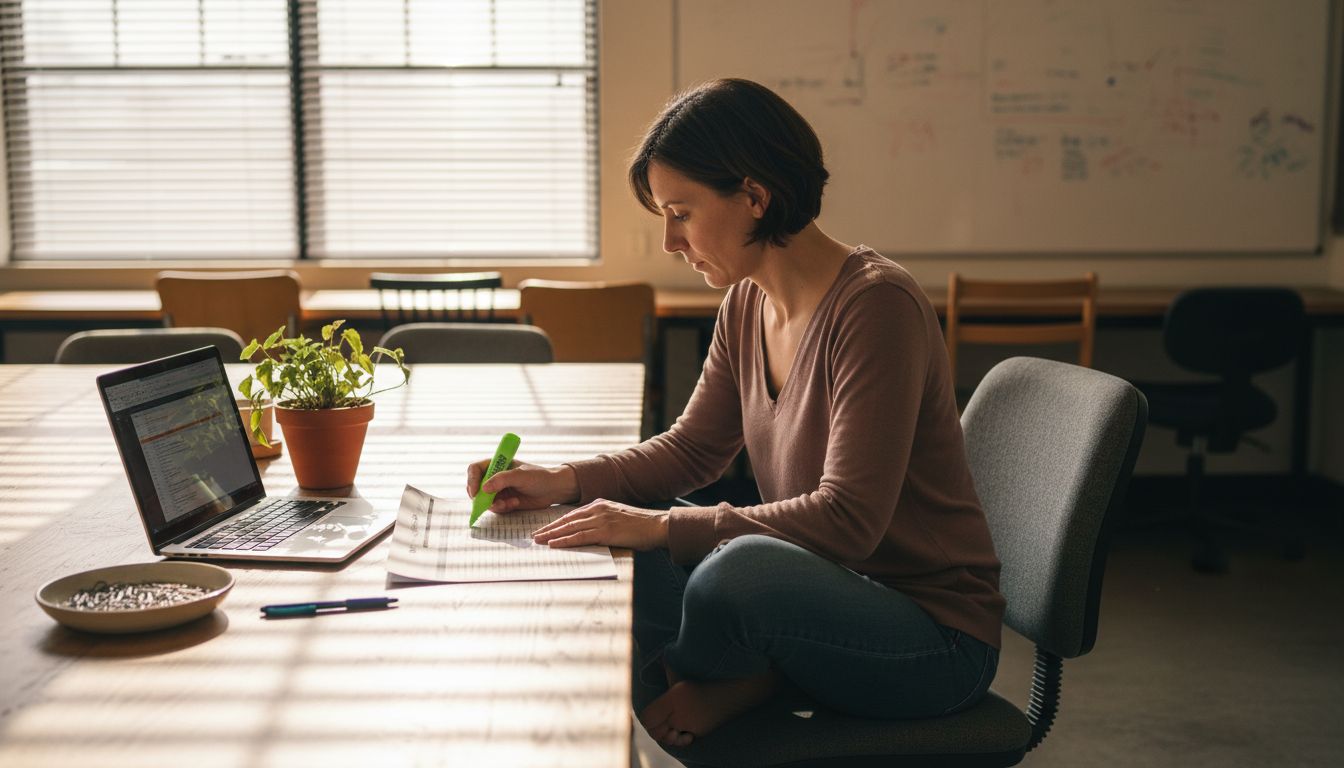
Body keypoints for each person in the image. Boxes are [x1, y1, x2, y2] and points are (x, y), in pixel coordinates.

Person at [466, 78, 1004, 748]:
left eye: (681, 213)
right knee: (614, 546)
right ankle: (728, 683)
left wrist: (662, 526)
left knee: (732, 567)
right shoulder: (746, 303)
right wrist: (565, 481)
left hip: (932, 639)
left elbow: (850, 520)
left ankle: (742, 683)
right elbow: (692, 450)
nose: (669, 241)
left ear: (754, 197)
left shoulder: (876, 306)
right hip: (823, 594)